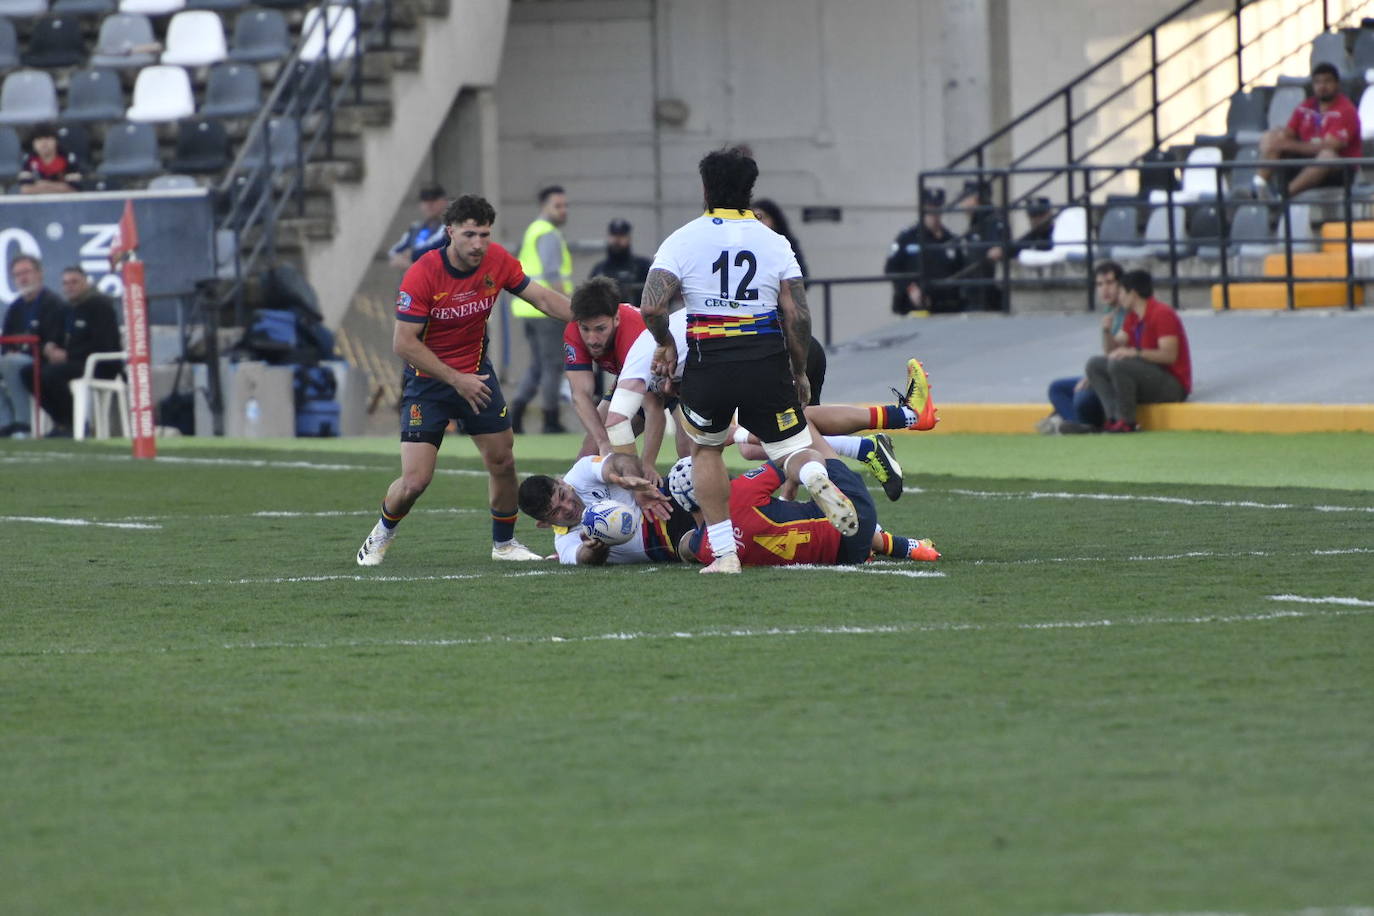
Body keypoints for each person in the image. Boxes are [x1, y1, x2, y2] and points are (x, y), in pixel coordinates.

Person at [640, 146, 856, 574]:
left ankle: (724, 554)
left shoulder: (683, 238)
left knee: (705, 450)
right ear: (750, 189)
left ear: (705, 189)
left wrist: (665, 343)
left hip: (709, 361)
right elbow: (798, 313)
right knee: (792, 448)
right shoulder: (773, 241)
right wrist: (797, 371)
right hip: (765, 358)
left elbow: (651, 306)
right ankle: (813, 477)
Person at [355, 194, 573, 567]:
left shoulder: (497, 261)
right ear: (450, 232)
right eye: (469, 234)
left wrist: (591, 319)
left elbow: (540, 297)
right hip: (428, 384)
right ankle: (382, 533)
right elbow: (403, 344)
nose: (477, 244)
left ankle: (503, 544)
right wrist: (457, 380)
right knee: (415, 481)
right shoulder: (423, 273)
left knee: (503, 461)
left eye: (484, 235)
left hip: (477, 377)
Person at [678, 437, 940, 568]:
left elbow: (686, 546)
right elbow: (790, 458)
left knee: (820, 520)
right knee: (804, 435)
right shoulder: (738, 491)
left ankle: (911, 547)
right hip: (852, 517)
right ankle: (866, 447)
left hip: (846, 556)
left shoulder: (704, 550)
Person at [517, 453, 688, 567]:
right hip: (670, 540)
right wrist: (595, 549)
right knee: (694, 548)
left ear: (561, 482)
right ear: (545, 524)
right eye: (556, 512)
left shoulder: (580, 473)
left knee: (687, 470)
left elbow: (621, 460)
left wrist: (633, 483)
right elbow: (584, 557)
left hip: (668, 493)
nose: (568, 508)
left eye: (562, 495)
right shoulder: (564, 543)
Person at [1084, 269, 1192, 433]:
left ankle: (1127, 421)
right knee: (1095, 364)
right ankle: (1112, 418)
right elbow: (1112, 349)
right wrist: (1106, 331)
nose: (1119, 297)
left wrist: (1136, 352)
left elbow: (1169, 355)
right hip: (1148, 377)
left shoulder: (1162, 313)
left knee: (1120, 364)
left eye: (1121, 292)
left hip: (1173, 385)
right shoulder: (1133, 317)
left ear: (1132, 293)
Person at [22, 268, 122, 437]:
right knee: (29, 373)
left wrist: (69, 355)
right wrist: (50, 347)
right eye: (65, 283)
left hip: (99, 365)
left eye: (74, 282)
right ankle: (62, 421)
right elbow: (57, 336)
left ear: (86, 282)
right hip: (71, 363)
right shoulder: (67, 309)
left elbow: (104, 344)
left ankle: (76, 423)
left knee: (51, 374)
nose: (69, 287)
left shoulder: (100, 306)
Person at [510, 185, 573, 435]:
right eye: (558, 206)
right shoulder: (547, 233)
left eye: (565, 205)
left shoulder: (534, 230)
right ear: (544, 207)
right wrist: (567, 305)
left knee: (538, 366)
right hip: (547, 309)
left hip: (529, 308)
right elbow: (552, 274)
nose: (563, 210)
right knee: (553, 366)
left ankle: (516, 413)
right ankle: (550, 419)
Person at [564, 276, 649, 458]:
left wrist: (648, 461)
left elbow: (654, 406)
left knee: (688, 449)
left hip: (672, 378)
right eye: (585, 329)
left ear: (616, 319)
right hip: (629, 377)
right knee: (590, 453)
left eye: (600, 329)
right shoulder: (573, 331)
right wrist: (603, 443)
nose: (592, 339)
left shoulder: (635, 336)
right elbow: (580, 395)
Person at [1040, 261, 1126, 434]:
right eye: (1100, 284)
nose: (1104, 289)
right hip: (1104, 372)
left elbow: (1120, 356)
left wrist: (1092, 376)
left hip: (1117, 377)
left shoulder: (1128, 311)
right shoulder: (1110, 312)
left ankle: (1069, 421)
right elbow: (1108, 352)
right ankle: (1077, 424)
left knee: (1081, 399)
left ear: (1120, 285)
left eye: (1110, 283)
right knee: (1057, 388)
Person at [1258, 63, 1362, 196]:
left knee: (1327, 156)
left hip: (1339, 170)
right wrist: (1277, 137)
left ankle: (1282, 197)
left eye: (1327, 81)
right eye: (1318, 82)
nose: (1322, 86)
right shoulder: (1306, 106)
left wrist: (1289, 145)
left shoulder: (1346, 110)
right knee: (1271, 137)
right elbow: (1289, 133)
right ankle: (1258, 187)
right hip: (1306, 161)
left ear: (1337, 84)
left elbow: (1330, 146)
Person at [1, 255, 69, 438]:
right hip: (15, 359)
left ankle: (23, 423)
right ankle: (4, 422)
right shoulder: (15, 308)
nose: (22, 278)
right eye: (17, 275)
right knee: (8, 361)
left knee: (10, 363)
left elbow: (54, 341)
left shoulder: (53, 303)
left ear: (40, 274)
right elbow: (6, 340)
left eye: (26, 272)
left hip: (41, 361)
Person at [885, 187, 965, 315]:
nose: (934, 213)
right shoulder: (907, 237)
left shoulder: (951, 239)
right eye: (929, 208)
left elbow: (961, 270)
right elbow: (891, 269)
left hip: (947, 309)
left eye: (937, 208)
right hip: (915, 308)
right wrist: (910, 289)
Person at [955, 180, 1009, 312]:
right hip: (973, 292)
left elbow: (997, 251)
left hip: (985, 295)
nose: (962, 203)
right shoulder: (977, 221)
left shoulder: (991, 220)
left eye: (966, 198)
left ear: (976, 198)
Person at [588, 218, 653, 307]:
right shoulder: (599, 269)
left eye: (622, 235)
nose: (617, 240)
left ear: (629, 238)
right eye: (614, 235)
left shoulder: (642, 266)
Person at [387, 184, 448, 267]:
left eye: (433, 199)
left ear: (444, 201)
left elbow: (434, 248)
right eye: (425, 200)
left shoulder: (449, 228)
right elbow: (394, 252)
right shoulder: (415, 227)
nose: (429, 204)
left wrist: (411, 255)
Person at [752, 198, 809, 280]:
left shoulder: (786, 244)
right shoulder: (748, 243)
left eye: (761, 217)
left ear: (774, 220)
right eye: (754, 218)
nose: (758, 223)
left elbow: (801, 275)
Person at [16, 124, 82, 195]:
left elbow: (74, 190)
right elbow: (25, 190)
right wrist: (58, 186)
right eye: (39, 139)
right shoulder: (28, 159)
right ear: (33, 143)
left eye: (47, 138)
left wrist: (44, 185)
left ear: (56, 141)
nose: (44, 143)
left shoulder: (68, 158)